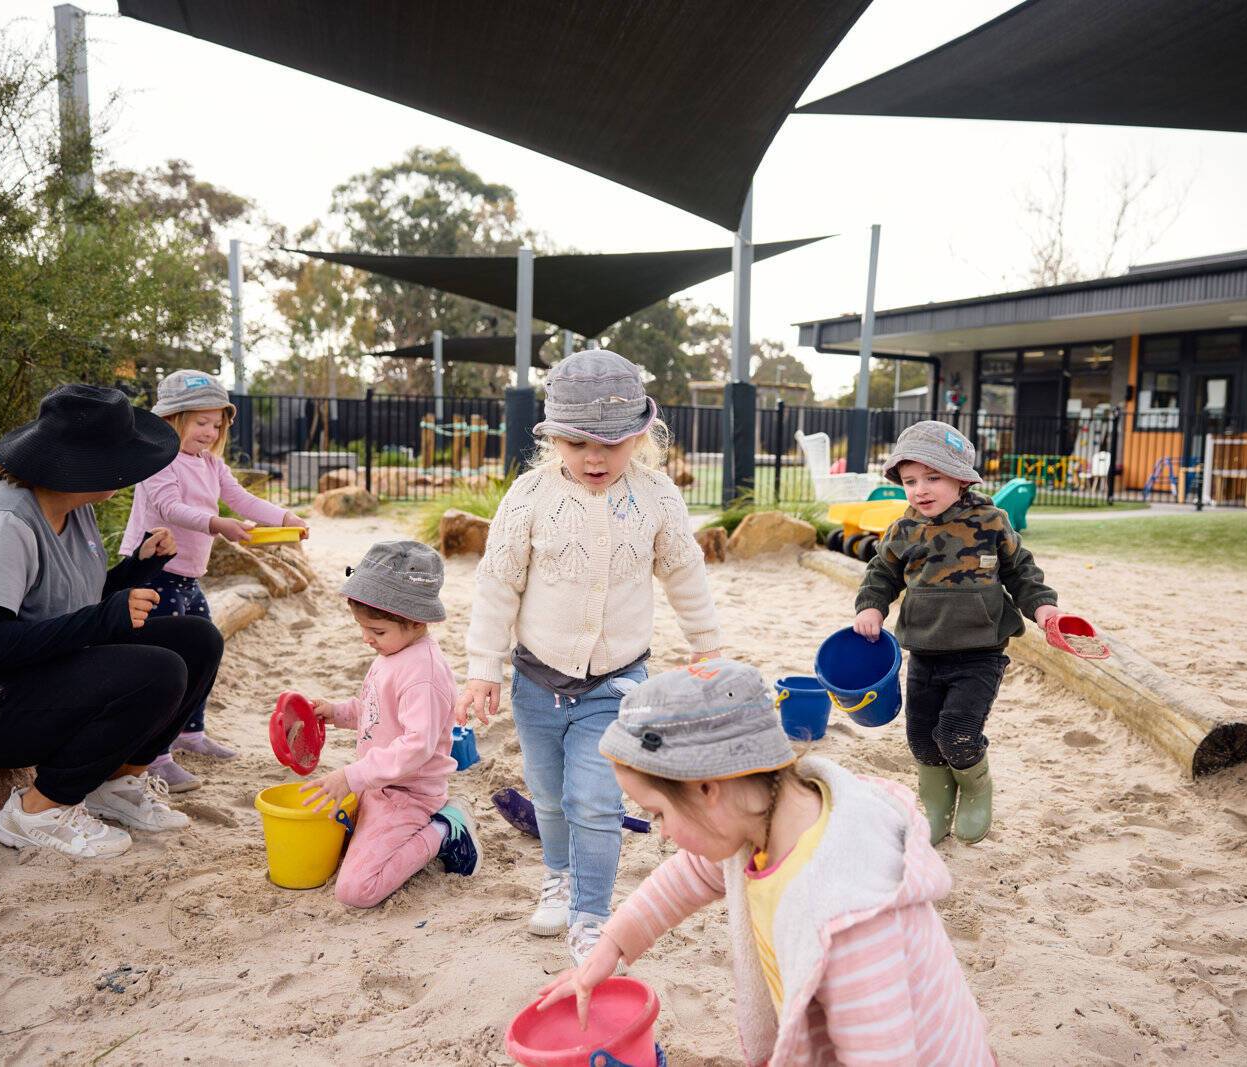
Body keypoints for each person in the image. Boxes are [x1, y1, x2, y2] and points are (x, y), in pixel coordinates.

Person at [537, 660, 993, 1066]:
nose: (664, 834)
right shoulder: (760, 819)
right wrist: (610, 948)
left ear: (706, 788)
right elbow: (688, 875)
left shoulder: (850, 916)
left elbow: (884, 1053)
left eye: (659, 814)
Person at [457, 349, 721, 966]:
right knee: (549, 797)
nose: (595, 458)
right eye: (577, 444)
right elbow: (498, 583)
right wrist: (482, 667)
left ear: (641, 436)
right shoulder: (529, 496)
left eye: (612, 443)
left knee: (596, 801)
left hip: (617, 683)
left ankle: (594, 916)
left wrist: (706, 642)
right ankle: (560, 875)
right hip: (535, 680)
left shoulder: (656, 497)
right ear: (554, 442)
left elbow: (684, 572)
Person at [0, 384, 223, 860]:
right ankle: (38, 810)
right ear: (83, 464)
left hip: (19, 677)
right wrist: (102, 621)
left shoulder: (73, 507)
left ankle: (116, 783)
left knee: (195, 641)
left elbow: (68, 604)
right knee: (156, 671)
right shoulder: (0, 522)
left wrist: (136, 570)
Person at [851, 421, 1069, 846]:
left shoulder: (990, 521)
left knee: (957, 732)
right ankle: (935, 803)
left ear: (961, 478)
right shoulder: (904, 530)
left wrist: (1044, 609)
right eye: (911, 481)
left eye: (933, 477)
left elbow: (1021, 570)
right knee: (921, 736)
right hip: (925, 651)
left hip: (980, 652)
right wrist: (872, 607)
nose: (921, 489)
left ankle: (974, 787)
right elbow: (881, 573)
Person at [120, 368, 306, 792]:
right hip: (153, 573)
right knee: (168, 662)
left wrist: (283, 518)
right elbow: (169, 508)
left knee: (206, 650)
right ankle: (157, 754)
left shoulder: (210, 464)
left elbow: (241, 498)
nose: (209, 432)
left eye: (216, 424)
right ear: (172, 419)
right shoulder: (158, 462)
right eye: (200, 422)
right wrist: (217, 524)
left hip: (188, 577)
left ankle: (190, 733)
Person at [298, 541, 480, 907]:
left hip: (408, 795)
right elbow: (378, 711)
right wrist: (336, 712)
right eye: (362, 628)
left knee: (356, 891)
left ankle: (445, 830)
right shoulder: (393, 652)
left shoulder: (422, 674)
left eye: (377, 631)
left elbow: (416, 746)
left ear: (415, 621)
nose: (367, 638)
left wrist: (351, 777)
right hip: (376, 784)